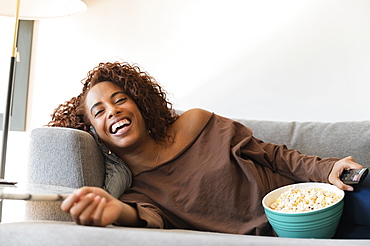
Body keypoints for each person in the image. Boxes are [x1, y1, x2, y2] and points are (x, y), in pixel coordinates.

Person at [48, 62, 364, 236]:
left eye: (119, 100)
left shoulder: (195, 123)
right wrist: (116, 211)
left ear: (140, 104)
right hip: (284, 237)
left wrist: (327, 168)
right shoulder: (139, 194)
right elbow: (145, 218)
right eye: (99, 111)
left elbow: (270, 154)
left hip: (322, 202)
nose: (112, 111)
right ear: (96, 134)